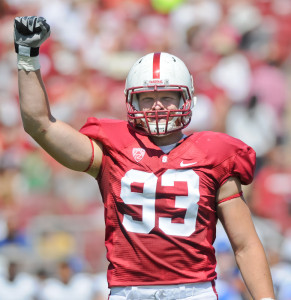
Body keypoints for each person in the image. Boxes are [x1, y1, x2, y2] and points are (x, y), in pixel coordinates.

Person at [14, 16, 275, 300]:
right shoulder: (112, 150)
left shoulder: (215, 154)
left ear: (186, 100)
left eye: (168, 97)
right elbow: (39, 124)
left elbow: (245, 244)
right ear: (132, 102)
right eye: (148, 99)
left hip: (193, 291)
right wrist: (28, 56)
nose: (158, 106)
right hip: (130, 291)